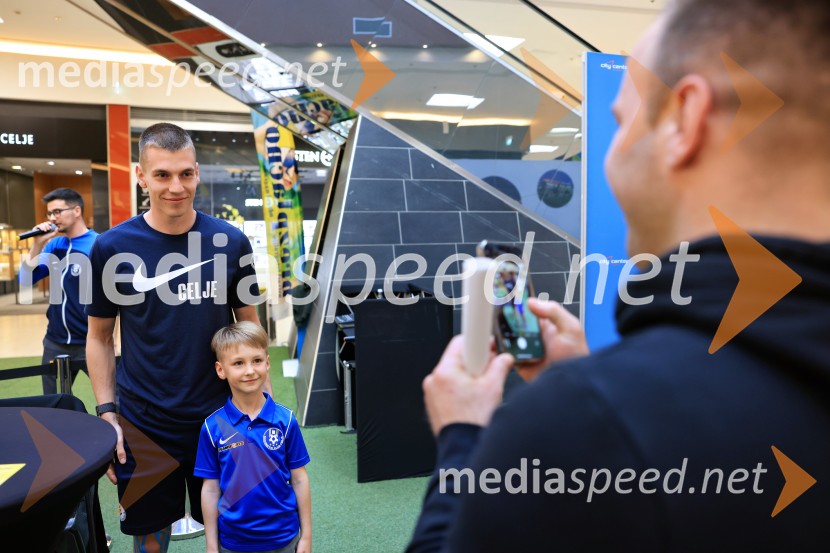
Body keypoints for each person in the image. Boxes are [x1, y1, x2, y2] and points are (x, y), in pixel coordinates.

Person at [408, 0, 830, 550]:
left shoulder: (583, 425)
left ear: (684, 120)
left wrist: (463, 439)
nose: (608, 158)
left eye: (621, 122)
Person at [86, 122, 263, 553]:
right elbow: (100, 337)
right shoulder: (111, 248)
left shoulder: (230, 242)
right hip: (144, 422)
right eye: (162, 175)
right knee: (150, 540)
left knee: (237, 536)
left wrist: (263, 408)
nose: (176, 187)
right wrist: (108, 413)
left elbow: (250, 330)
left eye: (185, 173)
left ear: (197, 172)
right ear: (141, 176)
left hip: (222, 416)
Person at [195, 322, 311, 553]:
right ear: (221, 370)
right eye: (238, 363)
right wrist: (211, 545)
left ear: (267, 363)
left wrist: (306, 536)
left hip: (283, 537)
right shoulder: (212, 427)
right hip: (233, 542)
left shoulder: (286, 420)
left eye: (256, 360)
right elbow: (210, 489)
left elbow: (299, 479)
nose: (249, 370)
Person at [18, 187, 98, 394]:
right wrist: (38, 244)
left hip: (90, 340)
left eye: (57, 212)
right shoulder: (54, 245)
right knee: (52, 402)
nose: (53, 218)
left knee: (111, 398)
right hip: (55, 341)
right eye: (50, 213)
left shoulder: (97, 244)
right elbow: (25, 279)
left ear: (77, 211)